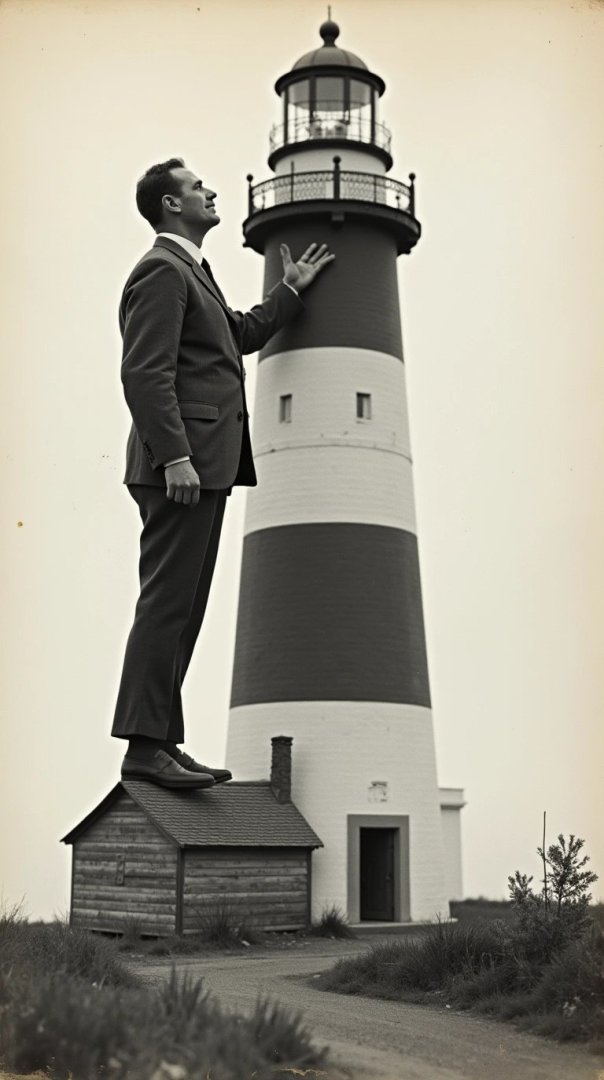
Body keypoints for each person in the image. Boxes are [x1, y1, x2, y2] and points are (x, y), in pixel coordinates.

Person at [111, 158, 334, 789]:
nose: (210, 190)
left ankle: (158, 740)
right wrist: (175, 454)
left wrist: (288, 291)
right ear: (172, 206)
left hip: (203, 467)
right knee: (166, 606)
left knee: (183, 608)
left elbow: (233, 333)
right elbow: (144, 373)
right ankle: (144, 747)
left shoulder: (192, 272)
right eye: (197, 186)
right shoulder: (160, 270)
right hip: (179, 468)